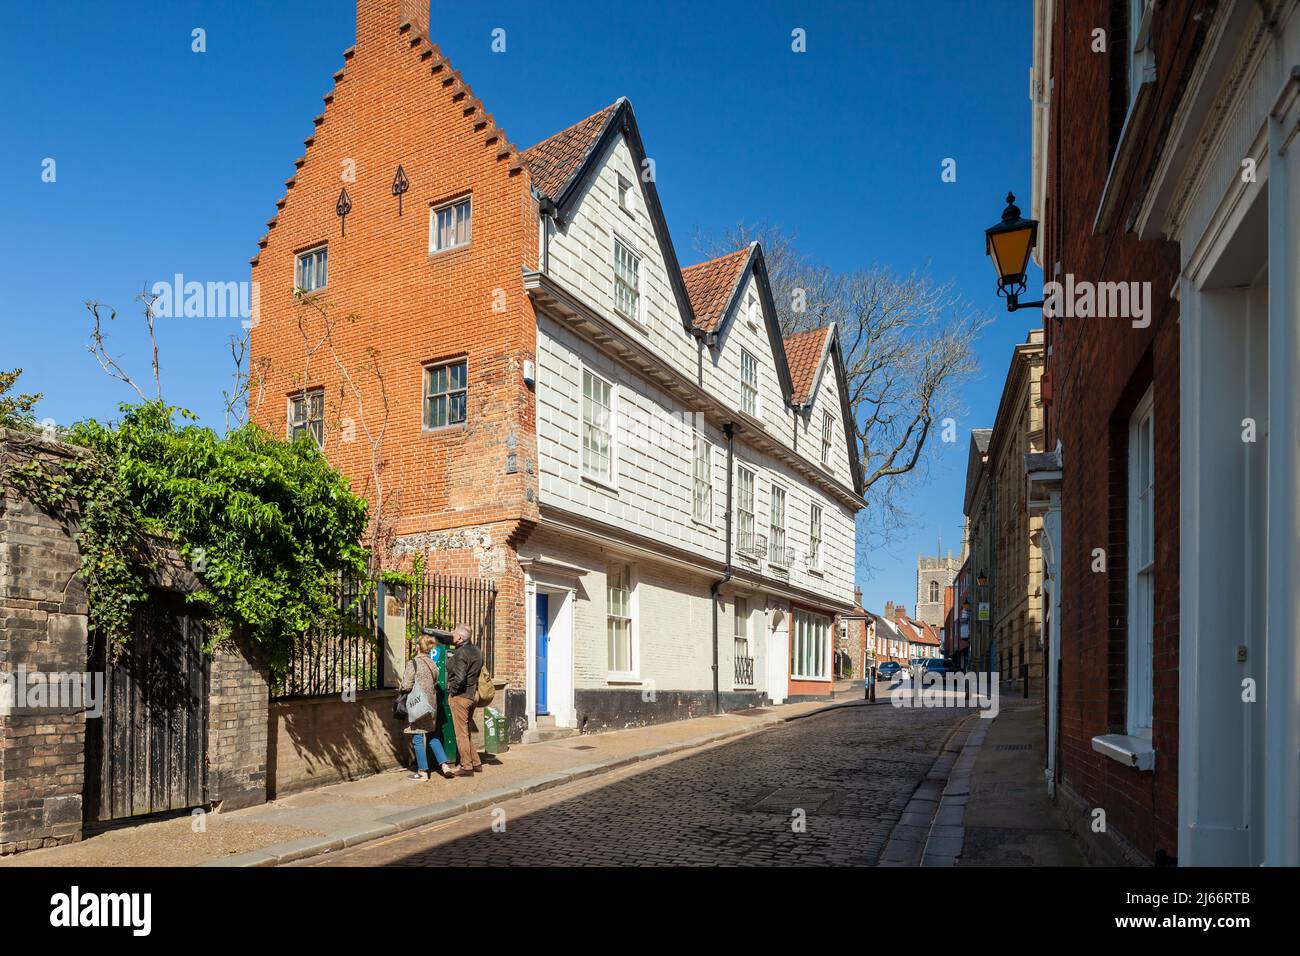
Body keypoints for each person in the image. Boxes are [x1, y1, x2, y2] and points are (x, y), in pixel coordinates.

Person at [399, 634, 457, 780]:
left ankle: (423, 772)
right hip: (431, 705)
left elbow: (406, 685)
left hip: (418, 705)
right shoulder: (433, 664)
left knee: (418, 737)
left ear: (418, 647)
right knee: (432, 735)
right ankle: (445, 765)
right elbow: (436, 682)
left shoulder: (413, 663)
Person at [445, 624, 483, 777]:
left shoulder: (461, 653)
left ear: (460, 637)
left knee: (460, 734)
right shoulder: (477, 651)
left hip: (461, 696)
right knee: (465, 731)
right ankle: (476, 762)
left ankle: (466, 767)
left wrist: (452, 692)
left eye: (454, 634)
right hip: (474, 694)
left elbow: (460, 679)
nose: (452, 636)